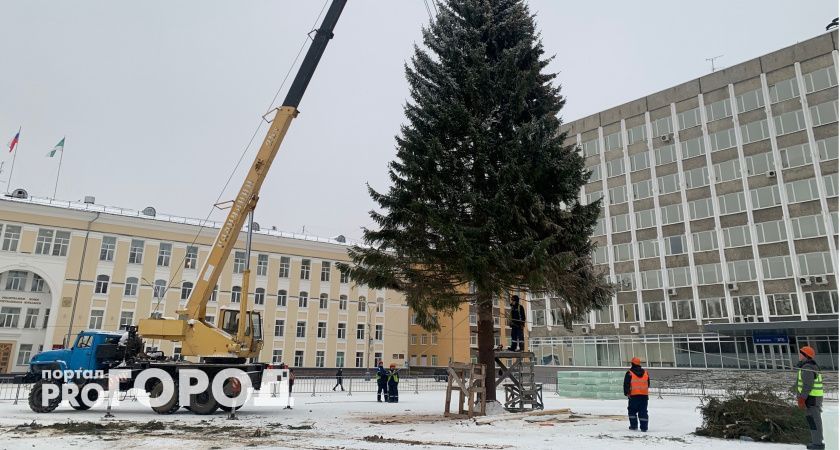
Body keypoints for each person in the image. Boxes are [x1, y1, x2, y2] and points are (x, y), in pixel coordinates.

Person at [796, 346, 824, 450]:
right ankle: (816, 442)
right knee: (813, 420)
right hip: (812, 398)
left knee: (814, 421)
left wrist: (802, 398)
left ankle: (817, 444)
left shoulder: (807, 367)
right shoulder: (808, 366)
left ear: (805, 356)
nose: (799, 355)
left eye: (801, 353)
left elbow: (808, 385)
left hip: (811, 399)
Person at [623, 357, 649, 432]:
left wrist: (627, 393)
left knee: (632, 411)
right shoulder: (645, 373)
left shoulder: (629, 373)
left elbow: (626, 384)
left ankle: (633, 426)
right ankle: (644, 427)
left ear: (632, 363)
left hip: (633, 395)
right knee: (643, 411)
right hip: (644, 396)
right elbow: (648, 384)